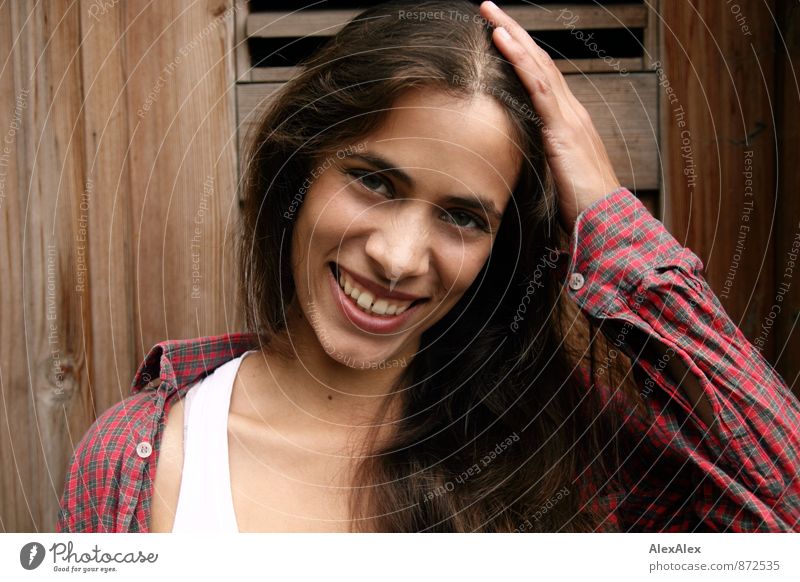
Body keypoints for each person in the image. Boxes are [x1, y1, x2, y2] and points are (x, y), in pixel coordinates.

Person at [57, 0, 800, 533]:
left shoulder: (563, 447)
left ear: (498, 250)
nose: (398, 257)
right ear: (298, 172)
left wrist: (611, 221)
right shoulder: (139, 465)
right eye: (373, 180)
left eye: (462, 216)